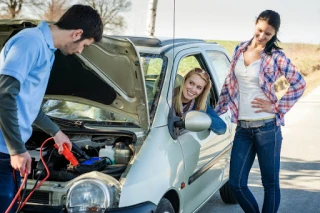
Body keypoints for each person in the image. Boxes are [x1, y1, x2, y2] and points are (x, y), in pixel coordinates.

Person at [0, 4, 103, 212]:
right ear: (77, 34)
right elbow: (3, 95)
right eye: (85, 45)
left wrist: (56, 132)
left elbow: (28, 105)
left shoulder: (48, 52)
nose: (80, 51)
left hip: (7, 152)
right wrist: (17, 150)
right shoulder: (30, 42)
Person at [215, 10, 306, 213]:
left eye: (268, 34)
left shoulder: (275, 56)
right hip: (243, 128)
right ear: (255, 24)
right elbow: (229, 84)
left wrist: (276, 107)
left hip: (267, 128)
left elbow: (299, 84)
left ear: (274, 34)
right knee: (236, 184)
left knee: (270, 184)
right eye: (260, 30)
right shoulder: (239, 50)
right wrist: (215, 111)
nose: (262, 36)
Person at [173, 68, 227, 135]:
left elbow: (222, 129)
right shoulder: (167, 97)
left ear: (202, 91)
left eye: (199, 87)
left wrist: (199, 115)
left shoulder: (199, 105)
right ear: (184, 81)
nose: (193, 89)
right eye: (191, 83)